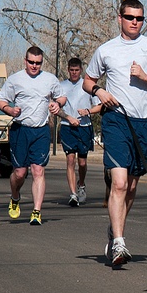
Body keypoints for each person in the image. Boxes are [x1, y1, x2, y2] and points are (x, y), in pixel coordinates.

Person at [82, 0, 147, 266]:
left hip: (145, 123)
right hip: (117, 121)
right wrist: (100, 91)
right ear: (119, 18)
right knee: (119, 183)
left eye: (140, 18)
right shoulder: (106, 50)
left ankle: (115, 228)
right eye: (130, 17)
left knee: (131, 187)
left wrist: (146, 77)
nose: (135, 22)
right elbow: (88, 81)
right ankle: (119, 242)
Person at [0, 46, 66, 225]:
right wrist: (9, 109)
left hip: (41, 130)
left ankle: (36, 211)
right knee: (20, 173)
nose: (35, 66)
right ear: (25, 61)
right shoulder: (15, 79)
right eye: (31, 62)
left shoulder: (50, 79)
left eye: (38, 63)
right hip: (21, 129)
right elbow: (0, 100)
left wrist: (57, 104)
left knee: (38, 170)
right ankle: (15, 196)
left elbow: (62, 97)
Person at [58, 57, 102, 207]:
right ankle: (73, 194)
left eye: (77, 70)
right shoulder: (62, 86)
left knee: (82, 162)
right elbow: (57, 107)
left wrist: (87, 111)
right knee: (70, 160)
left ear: (81, 70)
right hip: (67, 126)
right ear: (68, 70)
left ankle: (81, 185)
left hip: (84, 127)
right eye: (72, 70)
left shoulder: (88, 86)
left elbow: (99, 106)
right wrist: (68, 118)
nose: (74, 73)